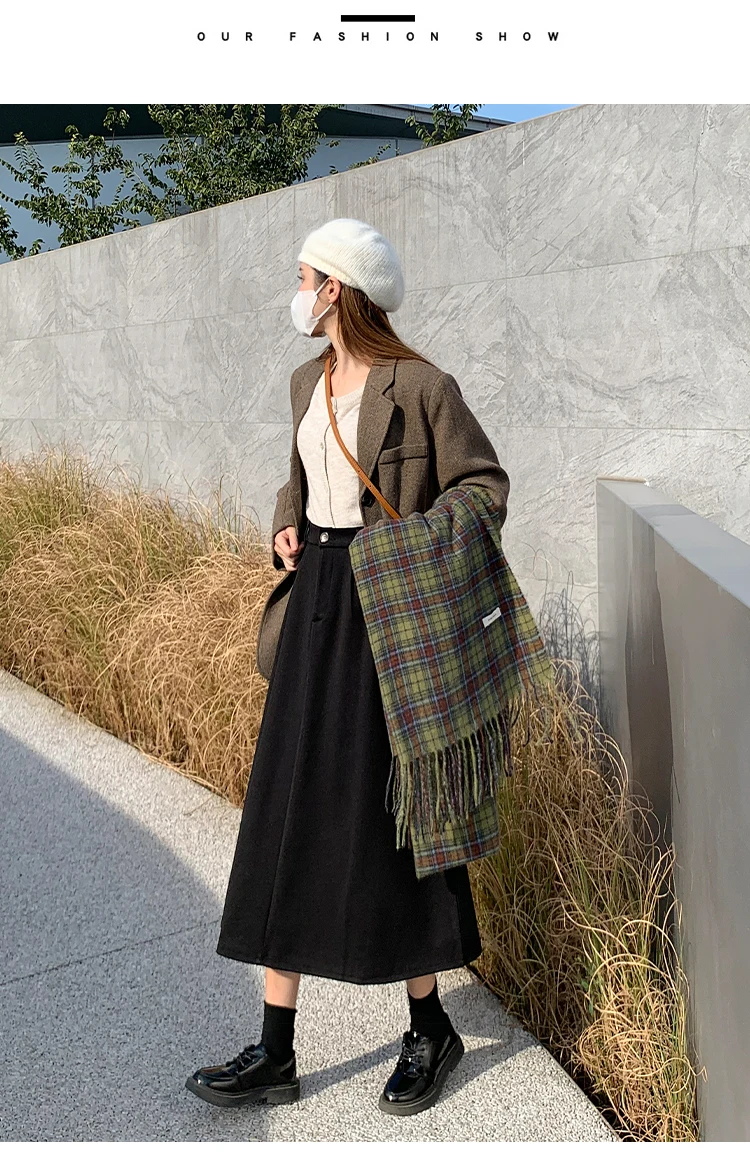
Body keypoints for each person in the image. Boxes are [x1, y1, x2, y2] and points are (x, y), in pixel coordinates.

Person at [185, 218, 510, 1117]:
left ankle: (429, 1026)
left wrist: (412, 546)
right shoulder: (306, 382)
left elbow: (485, 487)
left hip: (387, 613)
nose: (296, 292)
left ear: (335, 288)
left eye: (304, 277)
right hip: (315, 609)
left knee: (391, 814)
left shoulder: (423, 385)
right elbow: (300, 477)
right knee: (285, 811)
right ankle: (276, 1048)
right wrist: (284, 522)